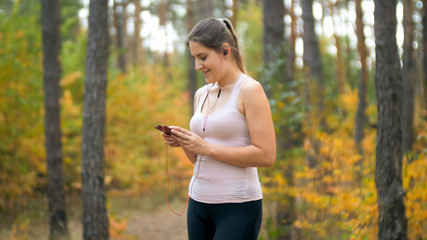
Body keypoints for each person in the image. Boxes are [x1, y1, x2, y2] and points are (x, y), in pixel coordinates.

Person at [162, 17, 276, 240]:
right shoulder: (201, 94)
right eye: (194, 58)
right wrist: (185, 143)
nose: (197, 66)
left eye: (202, 57)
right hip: (198, 203)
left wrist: (206, 147)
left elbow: (267, 155)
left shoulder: (250, 90)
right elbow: (200, 159)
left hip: (237, 206)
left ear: (225, 51)